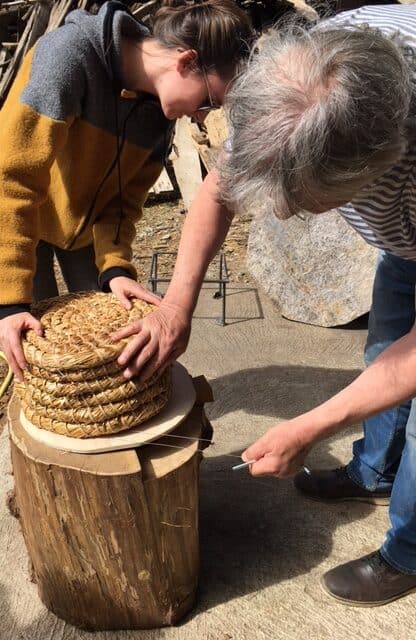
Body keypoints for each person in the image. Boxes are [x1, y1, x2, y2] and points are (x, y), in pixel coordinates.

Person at [113, 3, 416, 607]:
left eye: (307, 202)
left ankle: (408, 550)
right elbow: (219, 191)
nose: (287, 215)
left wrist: (312, 425)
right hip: (402, 236)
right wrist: (176, 304)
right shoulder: (296, 81)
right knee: (384, 341)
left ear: (371, 164)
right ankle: (375, 472)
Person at [0, 0, 253, 381]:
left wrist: (115, 267)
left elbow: (123, 201)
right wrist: (9, 306)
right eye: (209, 101)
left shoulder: (158, 117)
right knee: (37, 341)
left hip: (83, 226)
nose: (202, 116)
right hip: (24, 216)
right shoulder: (68, 56)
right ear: (186, 62)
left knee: (101, 339)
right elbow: (11, 179)